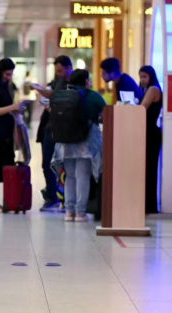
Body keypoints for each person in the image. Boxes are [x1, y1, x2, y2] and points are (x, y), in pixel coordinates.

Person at [51, 69, 106, 222]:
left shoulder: (61, 95)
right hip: (85, 141)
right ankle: (80, 213)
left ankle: (69, 212)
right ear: (87, 81)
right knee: (82, 176)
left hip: (65, 141)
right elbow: (107, 114)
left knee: (69, 176)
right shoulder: (93, 96)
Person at [33, 56, 73, 212]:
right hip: (50, 127)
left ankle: (63, 198)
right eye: (57, 71)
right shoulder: (58, 81)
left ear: (69, 68)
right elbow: (51, 94)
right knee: (47, 164)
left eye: (61, 70)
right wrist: (39, 89)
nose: (59, 73)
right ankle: (53, 196)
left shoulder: (74, 83)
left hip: (64, 130)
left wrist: (54, 107)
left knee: (64, 165)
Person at [0, 58, 24, 212]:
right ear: (1, 71)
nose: (9, 77)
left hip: (6, 132)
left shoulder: (7, 87)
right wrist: (12, 107)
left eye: (11, 74)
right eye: (7, 74)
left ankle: (7, 200)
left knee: (6, 164)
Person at [139, 66, 163, 214]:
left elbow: (142, 108)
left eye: (144, 77)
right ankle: (148, 205)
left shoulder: (153, 89)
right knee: (148, 169)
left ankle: (150, 206)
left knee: (149, 169)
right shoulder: (148, 89)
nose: (142, 80)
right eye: (140, 77)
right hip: (148, 132)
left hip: (151, 134)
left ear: (151, 76)